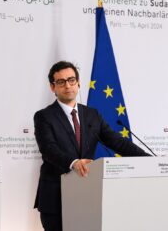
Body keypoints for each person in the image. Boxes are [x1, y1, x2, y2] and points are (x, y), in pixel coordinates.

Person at [33, 61, 149, 231]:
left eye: (71, 80)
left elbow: (117, 142)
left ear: (78, 83)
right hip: (55, 197)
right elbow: (49, 149)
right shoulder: (44, 116)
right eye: (61, 82)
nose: (67, 86)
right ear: (53, 87)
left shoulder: (91, 115)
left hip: (86, 195)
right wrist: (74, 163)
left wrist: (149, 161)